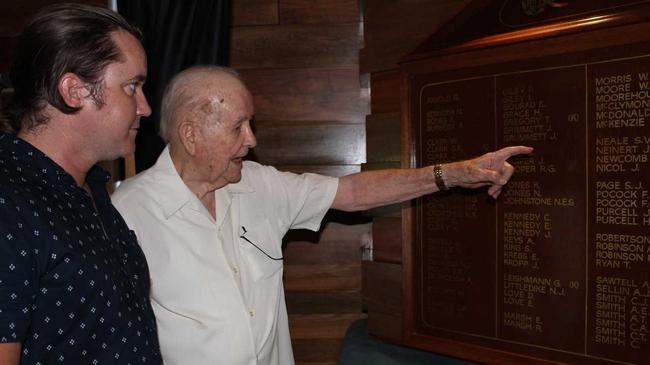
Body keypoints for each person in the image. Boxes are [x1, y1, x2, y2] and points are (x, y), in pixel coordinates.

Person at [111, 65, 533, 365]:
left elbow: (351, 192)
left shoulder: (259, 185)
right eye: (238, 126)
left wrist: (455, 174)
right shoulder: (128, 212)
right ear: (191, 134)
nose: (252, 139)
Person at [0, 4, 162, 364]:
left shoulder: (90, 190)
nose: (145, 107)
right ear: (74, 91)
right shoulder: (8, 201)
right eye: (131, 87)